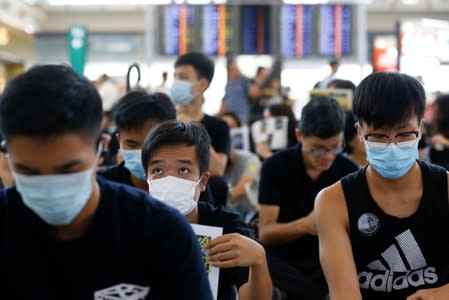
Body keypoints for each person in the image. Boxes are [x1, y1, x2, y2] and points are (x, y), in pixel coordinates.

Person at [0, 65, 212, 299]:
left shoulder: (160, 233)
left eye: (68, 169)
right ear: (6, 154)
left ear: (99, 147)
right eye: (29, 172)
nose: (50, 186)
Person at [315, 72, 449, 300]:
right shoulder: (334, 201)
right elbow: (345, 295)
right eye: (379, 136)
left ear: (421, 128)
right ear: (359, 132)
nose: (392, 145)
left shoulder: (445, 188)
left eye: (404, 134)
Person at [142, 120, 272, 300]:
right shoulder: (131, 224)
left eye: (183, 170)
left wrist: (258, 261)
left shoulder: (225, 227)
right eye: (158, 170)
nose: (169, 179)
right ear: (147, 178)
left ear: (203, 181)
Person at [258, 96, 359, 299]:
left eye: (335, 147)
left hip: (329, 257)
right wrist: (307, 225)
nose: (327, 156)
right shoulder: (276, 167)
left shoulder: (348, 170)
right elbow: (266, 233)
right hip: (284, 258)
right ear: (299, 135)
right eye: (318, 148)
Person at [98, 90, 176, 191]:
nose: (142, 154)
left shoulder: (187, 187)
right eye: (132, 145)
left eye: (152, 145)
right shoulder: (102, 187)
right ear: (119, 140)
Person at [170, 52, 231, 177]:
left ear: (202, 84)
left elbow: (217, 170)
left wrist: (193, 128)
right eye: (175, 76)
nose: (176, 82)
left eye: (183, 77)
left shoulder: (218, 127)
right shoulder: (163, 120)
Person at [220, 60, 250, 125]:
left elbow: (252, 93)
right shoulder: (228, 84)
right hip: (231, 115)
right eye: (233, 69)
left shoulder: (243, 81)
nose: (235, 71)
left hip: (242, 114)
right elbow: (226, 98)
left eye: (236, 69)